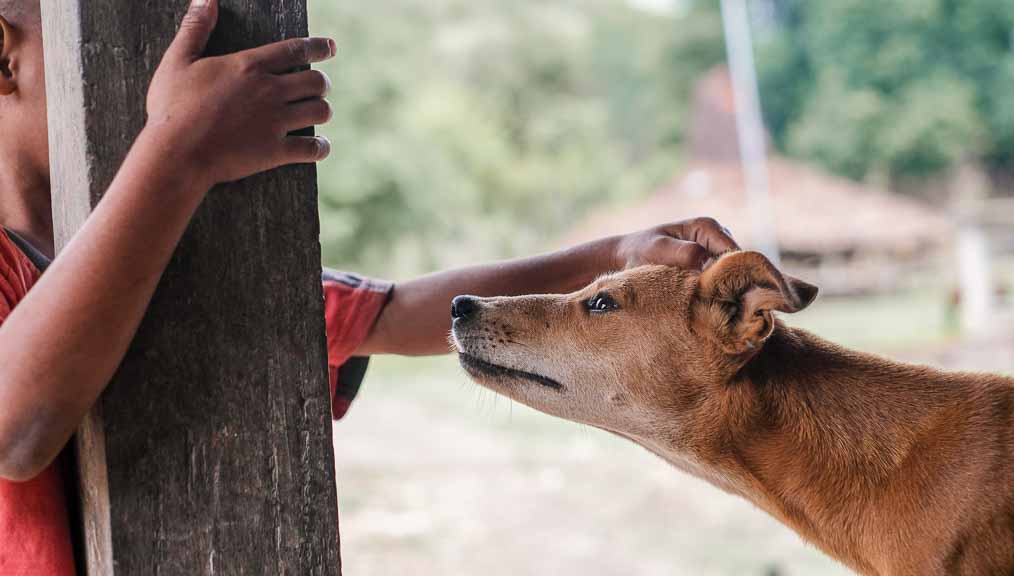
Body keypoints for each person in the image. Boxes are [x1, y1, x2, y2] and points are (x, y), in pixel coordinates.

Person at [0, 0, 738, 573]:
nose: (174, 78)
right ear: (5, 56)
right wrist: (176, 149)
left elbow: (400, 313)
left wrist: (616, 252)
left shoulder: (178, 261)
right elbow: (16, 429)